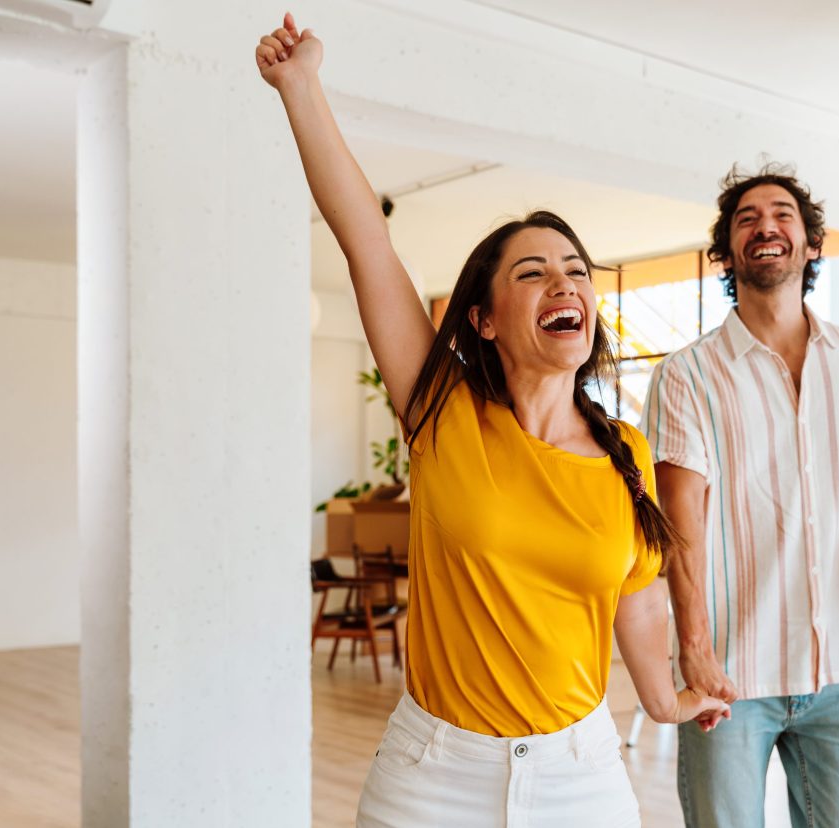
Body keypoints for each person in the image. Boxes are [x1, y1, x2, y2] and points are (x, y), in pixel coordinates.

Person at [256, 14, 729, 828]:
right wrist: (301, 88)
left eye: (576, 271)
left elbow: (636, 597)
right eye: (533, 273)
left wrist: (665, 701)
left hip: (581, 775)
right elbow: (368, 244)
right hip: (432, 777)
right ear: (482, 318)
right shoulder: (443, 415)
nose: (565, 284)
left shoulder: (626, 450)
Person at [641, 162, 839, 828]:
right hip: (730, 672)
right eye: (746, 220)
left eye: (781, 216)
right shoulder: (687, 376)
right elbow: (680, 529)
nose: (765, 227)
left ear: (811, 243)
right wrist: (693, 647)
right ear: (727, 253)